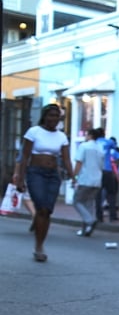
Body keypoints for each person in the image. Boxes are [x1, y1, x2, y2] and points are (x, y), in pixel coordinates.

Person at [14, 104, 74, 262]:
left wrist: (73, 176)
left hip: (53, 175)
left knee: (47, 211)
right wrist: (20, 179)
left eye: (56, 116)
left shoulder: (61, 136)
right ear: (44, 116)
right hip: (35, 173)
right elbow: (24, 157)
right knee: (41, 206)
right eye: (51, 115)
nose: (53, 119)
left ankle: (40, 244)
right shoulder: (34, 132)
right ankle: (38, 246)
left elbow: (66, 159)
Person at [71, 128, 105, 237]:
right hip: (97, 180)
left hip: (85, 179)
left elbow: (79, 162)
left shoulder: (84, 146)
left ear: (90, 135)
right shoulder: (100, 148)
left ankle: (90, 220)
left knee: (77, 201)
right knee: (89, 203)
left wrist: (74, 177)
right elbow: (101, 165)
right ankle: (86, 229)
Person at [93, 129, 119, 222]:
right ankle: (113, 216)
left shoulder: (93, 143)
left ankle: (99, 217)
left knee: (98, 195)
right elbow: (118, 149)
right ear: (103, 134)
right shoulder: (109, 142)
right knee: (111, 194)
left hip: (97, 171)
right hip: (107, 171)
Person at [13, 147, 36, 231]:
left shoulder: (28, 142)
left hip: (29, 174)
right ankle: (36, 219)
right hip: (45, 175)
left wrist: (16, 173)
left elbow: (19, 161)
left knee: (27, 198)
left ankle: (35, 216)